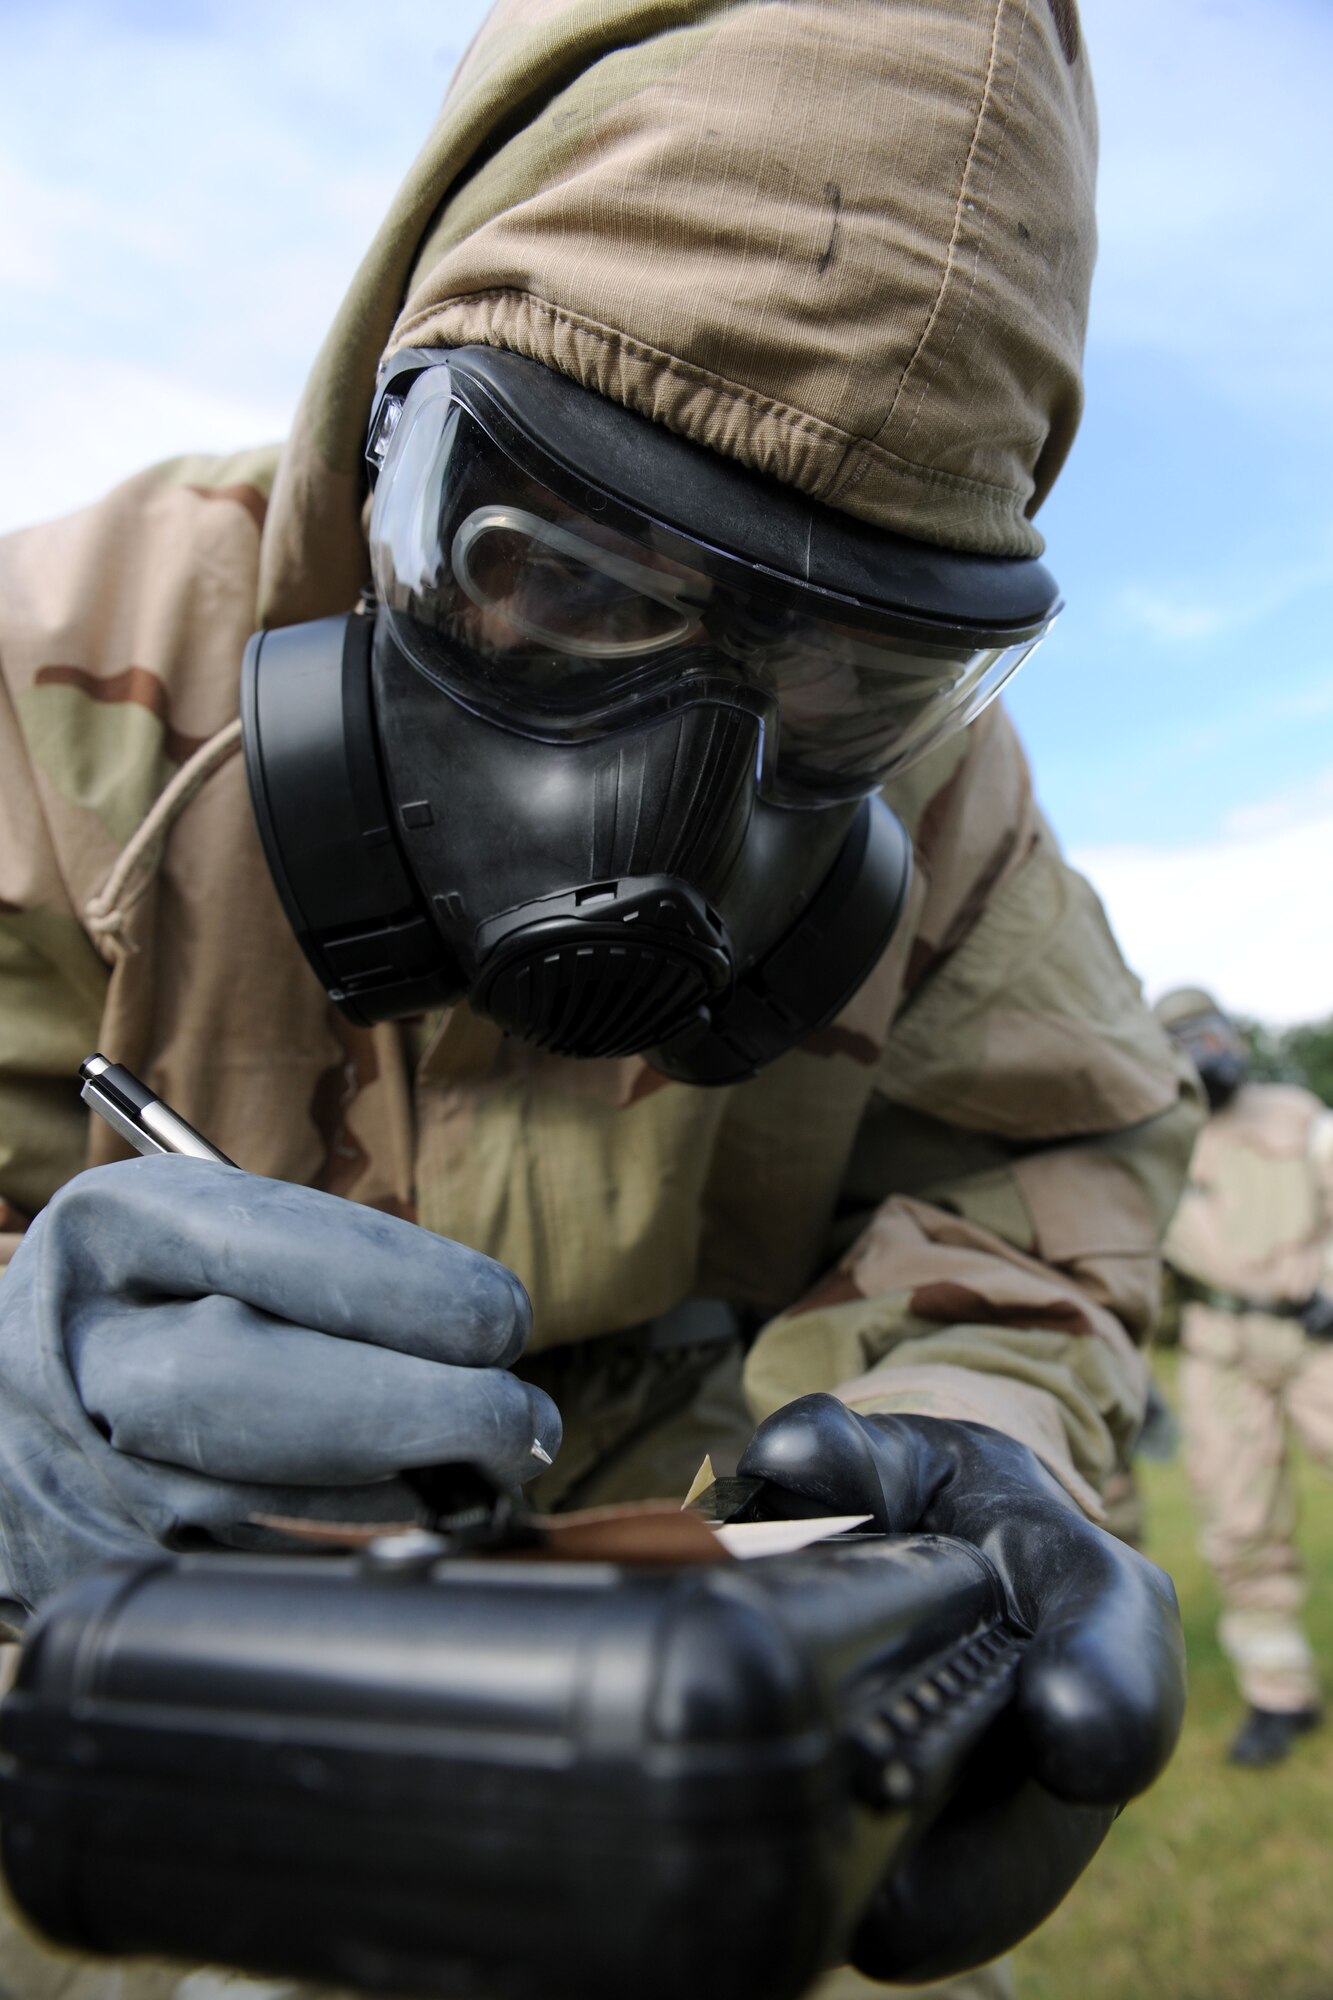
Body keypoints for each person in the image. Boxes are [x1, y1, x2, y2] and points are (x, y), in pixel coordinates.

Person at [0, 2, 1196, 1995]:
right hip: (154, 1730)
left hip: (718, 1740)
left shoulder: (952, 806)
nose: (679, 811)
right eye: (563, 570)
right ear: (383, 439)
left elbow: (1030, 1168)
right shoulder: (52, 688)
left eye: (846, 670)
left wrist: (972, 1427)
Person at [1156, 986, 1333, 1767]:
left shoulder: (1297, 1115)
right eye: (1183, 1041)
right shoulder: (1156, 1139)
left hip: (1314, 1332)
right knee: (1240, 1520)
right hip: (1218, 1348)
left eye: (1211, 1034)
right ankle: (1278, 1692)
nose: (1206, 1052)